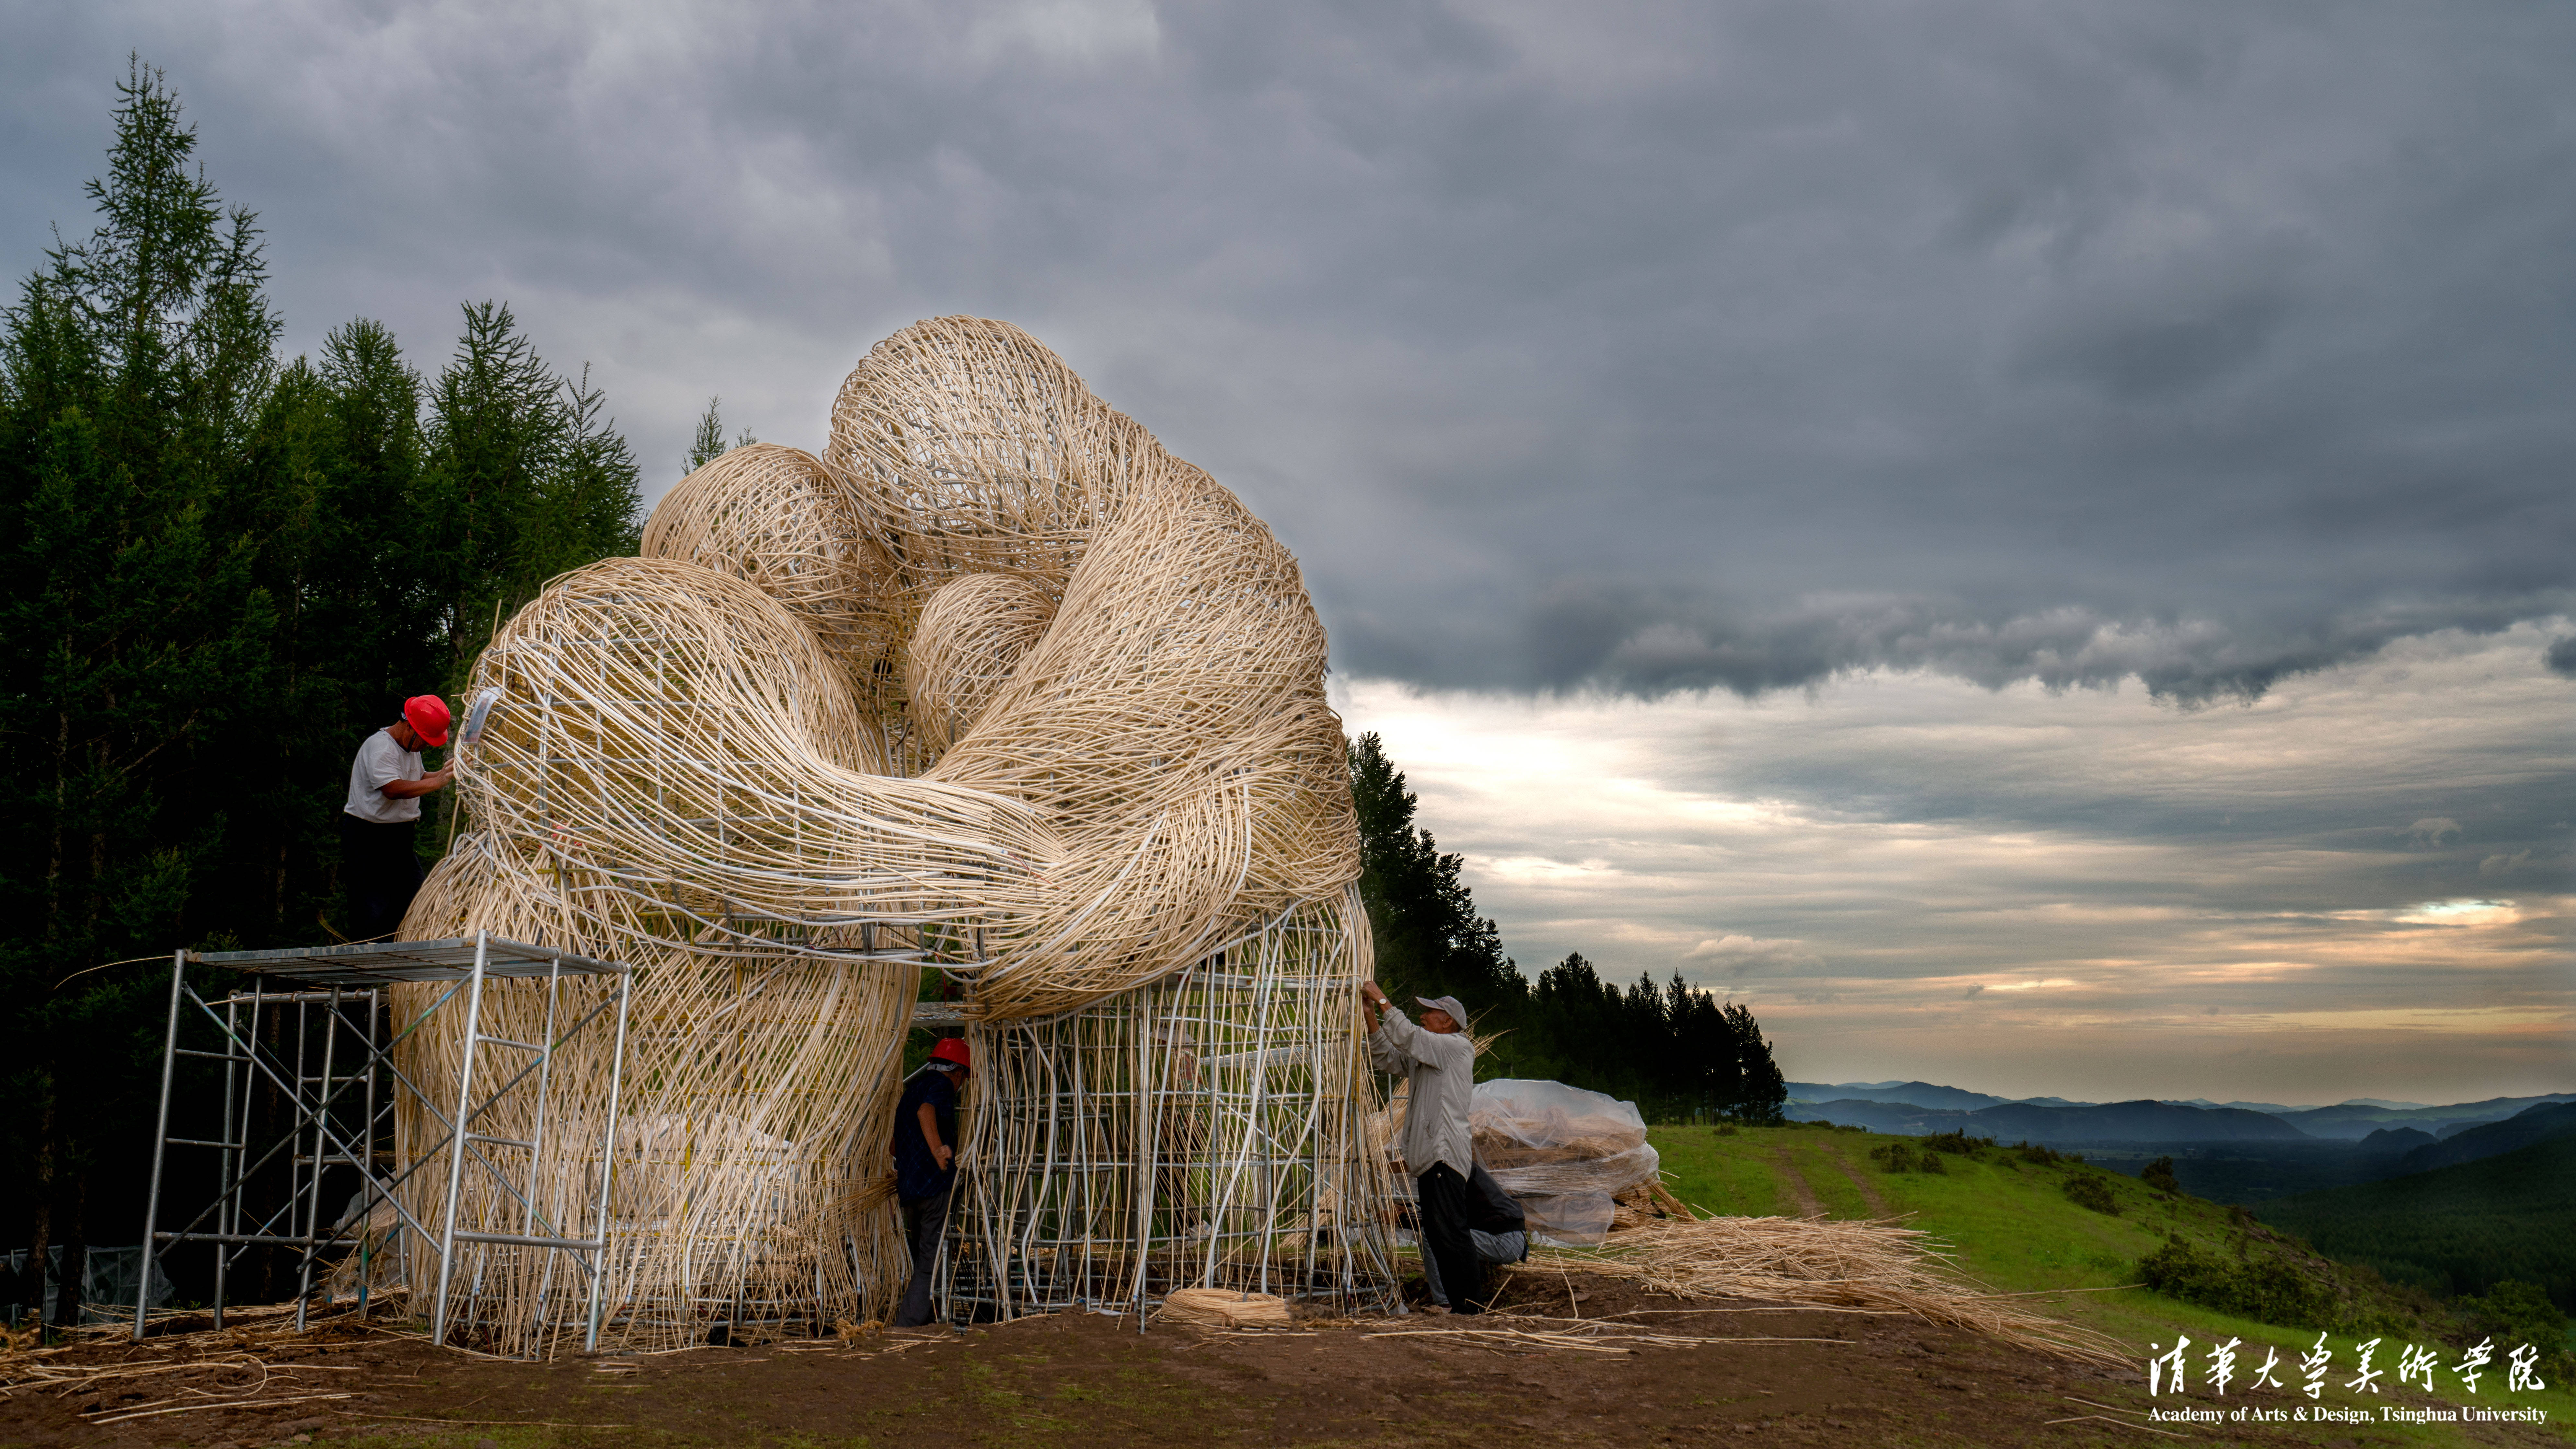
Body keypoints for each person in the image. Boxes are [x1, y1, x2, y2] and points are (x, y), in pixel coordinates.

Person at [1360, 981, 1495, 1314]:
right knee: (1438, 1234)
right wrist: (1371, 1020)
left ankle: (1471, 1305)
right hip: (1430, 1157)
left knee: (1450, 1231)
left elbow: (1408, 1036)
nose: (1423, 1015)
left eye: (1430, 1012)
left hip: (1445, 1154)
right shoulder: (1429, 1056)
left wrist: (1381, 1000)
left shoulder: (1454, 1046)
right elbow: (1389, 1057)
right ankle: (1457, 1302)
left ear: (1447, 1021)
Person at [341, 696, 454, 940]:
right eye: (425, 741)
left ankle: (397, 963)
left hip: (399, 838)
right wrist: (438, 783)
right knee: (371, 909)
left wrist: (445, 773)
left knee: (414, 899)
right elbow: (391, 789)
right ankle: (368, 968)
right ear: (410, 727)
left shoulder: (409, 746)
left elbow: (419, 775)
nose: (425, 747)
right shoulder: (380, 747)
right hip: (368, 838)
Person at [891, 1037, 970, 1327]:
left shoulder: (909, 1093)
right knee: (929, 1261)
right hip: (934, 1188)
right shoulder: (941, 1086)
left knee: (920, 1259)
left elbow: (894, 1148)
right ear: (958, 1072)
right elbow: (927, 1112)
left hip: (910, 1191)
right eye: (964, 1077)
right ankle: (907, 1326)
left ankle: (922, 1315)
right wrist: (939, 1153)